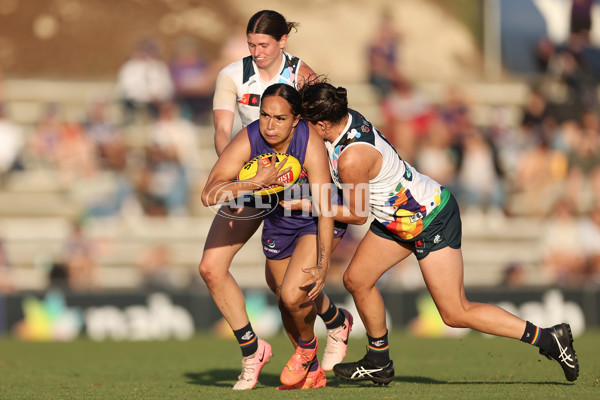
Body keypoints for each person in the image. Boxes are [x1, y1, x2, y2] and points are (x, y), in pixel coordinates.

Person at [298, 81, 579, 385]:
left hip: (430, 217)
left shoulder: (352, 158)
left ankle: (549, 339)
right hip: (400, 218)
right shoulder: (343, 119)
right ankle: (379, 361)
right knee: (357, 279)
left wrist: (310, 203)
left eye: (305, 122)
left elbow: (357, 214)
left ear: (323, 124)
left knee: (455, 312)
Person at [199, 11, 353, 390]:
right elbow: (223, 131)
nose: (257, 51)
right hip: (254, 182)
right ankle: (253, 350)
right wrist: (247, 176)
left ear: (283, 41)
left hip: (298, 188)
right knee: (210, 268)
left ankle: (319, 343)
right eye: (251, 44)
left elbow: (325, 124)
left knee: (287, 290)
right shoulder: (232, 76)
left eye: (263, 45)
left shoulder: (303, 75)